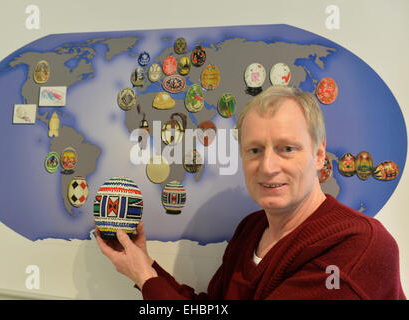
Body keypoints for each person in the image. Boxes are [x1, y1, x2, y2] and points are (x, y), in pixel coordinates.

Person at [95, 85, 406, 300]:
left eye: (287, 149)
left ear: (319, 155)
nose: (268, 167)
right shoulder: (251, 229)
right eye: (255, 150)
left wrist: (146, 278)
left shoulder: (358, 246)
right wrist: (143, 266)